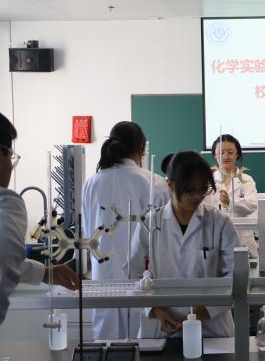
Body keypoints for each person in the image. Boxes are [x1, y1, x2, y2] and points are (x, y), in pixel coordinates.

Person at [128, 151, 239, 338]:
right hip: (161, 330)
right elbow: (133, 275)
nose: (197, 196)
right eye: (190, 190)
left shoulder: (219, 223)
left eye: (203, 189)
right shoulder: (150, 224)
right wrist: (155, 310)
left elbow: (235, 278)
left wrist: (201, 313)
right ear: (171, 184)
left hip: (211, 331)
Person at [82, 121, 170, 340]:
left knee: (106, 344)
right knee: (143, 342)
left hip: (103, 277)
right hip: (143, 277)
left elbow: (88, 231)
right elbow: (166, 234)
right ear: (141, 148)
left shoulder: (91, 183)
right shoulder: (154, 183)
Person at [0, 112, 79, 325]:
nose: (11, 165)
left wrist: (43, 272)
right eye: (11, 157)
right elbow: (5, 264)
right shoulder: (7, 202)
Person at [205, 134, 258, 258]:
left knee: (244, 267)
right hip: (214, 238)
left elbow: (252, 205)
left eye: (230, 152)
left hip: (241, 237)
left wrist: (231, 202)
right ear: (214, 155)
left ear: (237, 154)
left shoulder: (246, 179)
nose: (225, 156)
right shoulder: (207, 179)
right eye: (221, 152)